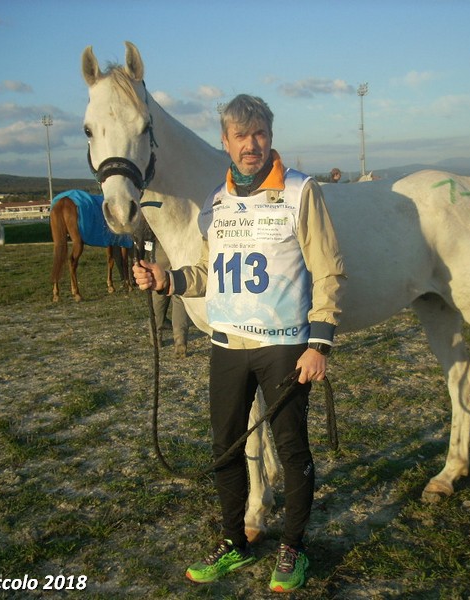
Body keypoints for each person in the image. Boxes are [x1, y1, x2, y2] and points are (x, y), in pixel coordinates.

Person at [133, 94, 345, 593]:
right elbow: (210, 273)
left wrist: (319, 344)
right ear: (225, 142)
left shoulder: (301, 191)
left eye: (260, 134)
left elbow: (328, 270)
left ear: (270, 137)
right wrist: (168, 280)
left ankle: (293, 547)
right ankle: (233, 541)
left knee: (291, 448)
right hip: (227, 345)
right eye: (241, 136)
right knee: (225, 447)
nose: (252, 145)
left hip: (284, 346)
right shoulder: (217, 200)